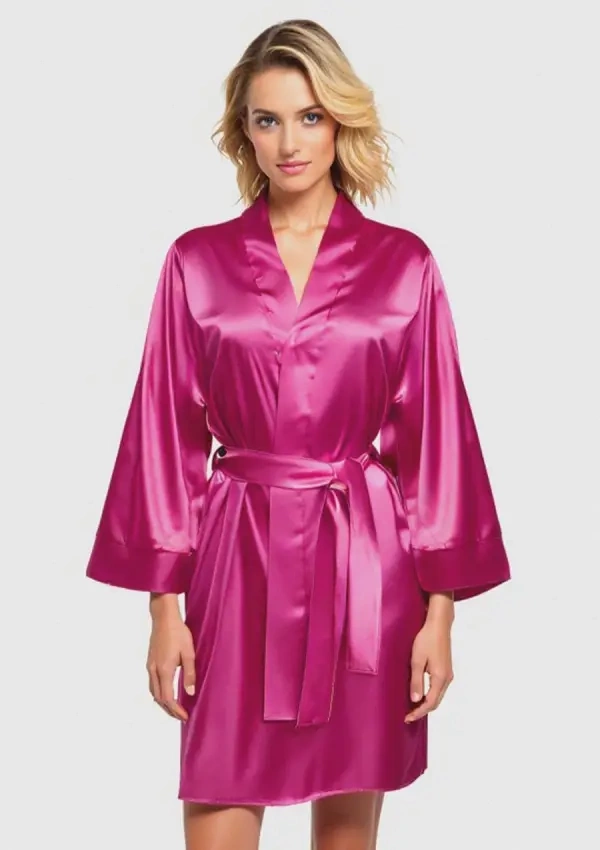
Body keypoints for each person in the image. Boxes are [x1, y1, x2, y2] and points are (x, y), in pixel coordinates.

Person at [85, 18, 511, 850]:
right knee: (218, 802)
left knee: (347, 829)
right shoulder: (197, 261)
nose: (289, 142)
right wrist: (163, 613)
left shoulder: (403, 264)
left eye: (310, 117)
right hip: (236, 563)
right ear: (242, 131)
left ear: (341, 121)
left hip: (366, 571)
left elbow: (438, 443)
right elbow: (163, 435)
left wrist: (440, 616)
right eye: (268, 119)